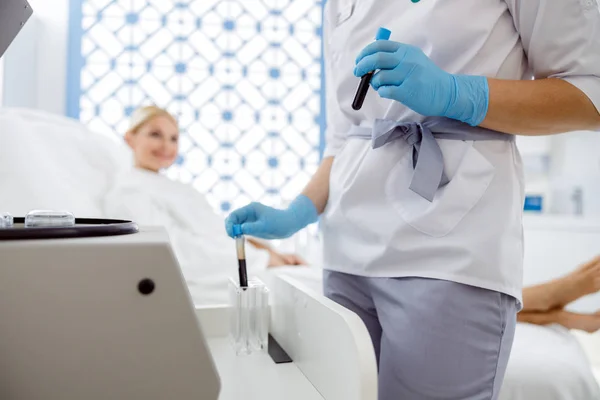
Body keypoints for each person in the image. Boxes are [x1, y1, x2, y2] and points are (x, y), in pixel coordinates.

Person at [225, 1, 600, 399]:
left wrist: (457, 94)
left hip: (450, 249)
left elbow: (590, 93)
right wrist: (298, 212)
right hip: (346, 250)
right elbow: (348, 134)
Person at [104, 106, 306, 305]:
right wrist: (260, 259)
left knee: (305, 277)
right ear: (130, 138)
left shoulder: (178, 188)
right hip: (209, 275)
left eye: (174, 138)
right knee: (304, 285)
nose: (166, 145)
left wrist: (270, 252)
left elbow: (216, 229)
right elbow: (173, 251)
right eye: (155, 134)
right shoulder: (128, 191)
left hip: (236, 261)